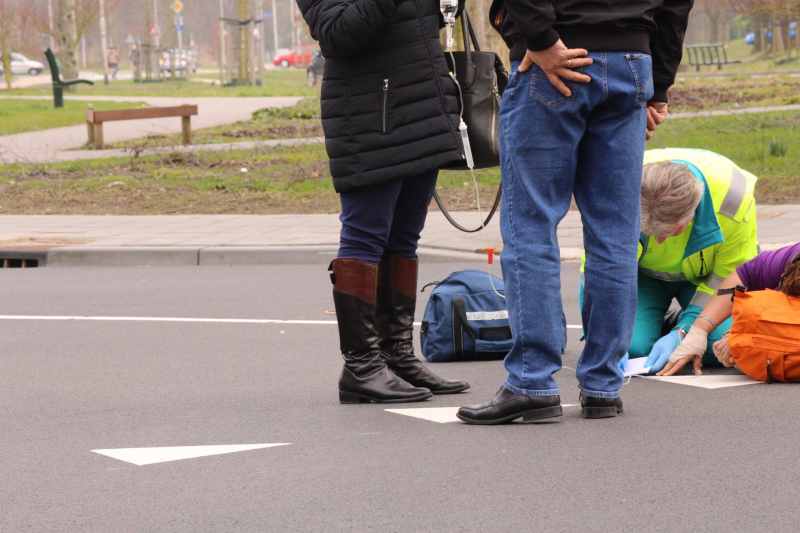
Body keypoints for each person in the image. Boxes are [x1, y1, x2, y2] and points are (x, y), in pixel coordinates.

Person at [457, 0, 692, 424]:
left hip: (558, 56)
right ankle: (603, 384)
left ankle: (532, 382)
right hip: (630, 61)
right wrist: (658, 85)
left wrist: (541, 37)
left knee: (531, 226)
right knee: (615, 234)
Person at [298, 0, 470, 403]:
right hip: (369, 117)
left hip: (423, 108)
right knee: (364, 239)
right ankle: (362, 367)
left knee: (404, 239)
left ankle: (396, 356)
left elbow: (438, 17)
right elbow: (337, 34)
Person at [658, 243, 800, 375]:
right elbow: (743, 276)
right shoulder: (786, 258)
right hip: (772, 307)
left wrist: (751, 333)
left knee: (748, 351)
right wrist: (698, 330)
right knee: (723, 348)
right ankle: (677, 320)